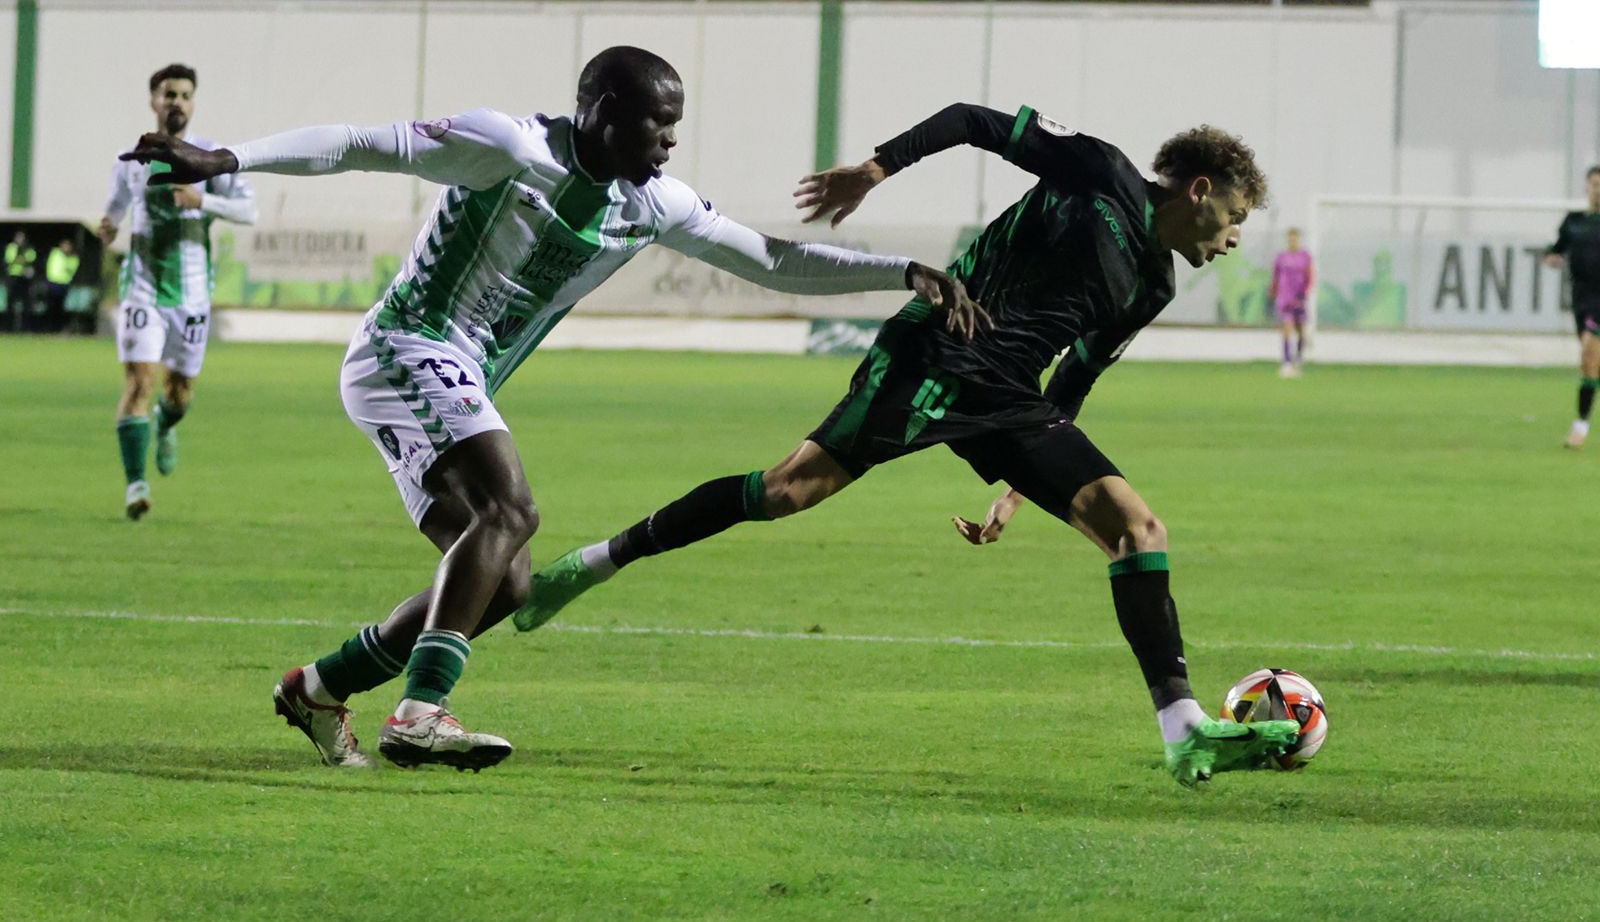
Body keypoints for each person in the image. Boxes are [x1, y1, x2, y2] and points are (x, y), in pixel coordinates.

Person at [121, 45, 979, 772]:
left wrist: (902, 271)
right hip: (406, 346)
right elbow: (360, 143)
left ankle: (318, 686)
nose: (672, 139)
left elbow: (772, 260)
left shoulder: (653, 201)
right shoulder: (507, 145)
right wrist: (226, 156)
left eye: (677, 123)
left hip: (450, 375)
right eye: (658, 122)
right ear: (604, 110)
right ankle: (421, 712)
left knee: (505, 577)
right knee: (512, 509)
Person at [516, 101, 1299, 788]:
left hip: (1011, 399)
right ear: (1200, 190)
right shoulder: (1101, 171)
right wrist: (874, 168)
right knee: (784, 491)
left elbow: (1078, 377)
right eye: (1234, 218)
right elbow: (972, 121)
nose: (1234, 238)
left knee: (1137, 528)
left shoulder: (1154, 285)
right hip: (941, 349)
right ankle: (592, 563)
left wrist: (1020, 485)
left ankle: (1183, 726)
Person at [97, 64, 258, 519]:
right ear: (154, 101)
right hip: (143, 288)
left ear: (193, 103)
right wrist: (108, 225)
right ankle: (136, 485)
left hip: (191, 296)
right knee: (138, 383)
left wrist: (203, 200)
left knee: (179, 392)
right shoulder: (130, 158)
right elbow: (114, 208)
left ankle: (166, 425)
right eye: (169, 94)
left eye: (185, 95)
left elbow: (251, 210)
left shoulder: (210, 156)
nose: (177, 102)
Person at [1544, 165, 1600, 449]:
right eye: (1594, 184)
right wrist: (1551, 257)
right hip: (1582, 300)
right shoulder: (1574, 221)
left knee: (1591, 351)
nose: (1598, 189)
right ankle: (1582, 423)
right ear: (1586, 187)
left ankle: (1580, 427)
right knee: (1591, 364)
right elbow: (1556, 249)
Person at [1268, 227, 1313, 377]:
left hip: (1299, 298)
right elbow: (1275, 277)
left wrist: (1305, 292)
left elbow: (1310, 276)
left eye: (1294, 239)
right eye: (1290, 239)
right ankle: (1286, 363)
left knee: (1301, 332)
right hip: (1285, 298)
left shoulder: (1305, 256)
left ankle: (1297, 361)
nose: (1292, 241)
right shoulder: (1281, 257)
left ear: (1298, 240)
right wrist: (1273, 291)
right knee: (1287, 329)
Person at [43, 237, 80, 333]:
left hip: (64, 284)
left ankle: (57, 328)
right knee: (50, 306)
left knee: (60, 307)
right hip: (53, 282)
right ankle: (48, 328)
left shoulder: (73, 258)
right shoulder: (55, 253)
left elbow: (70, 269)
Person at [5, 231, 37, 332]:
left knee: (26, 302)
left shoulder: (28, 248)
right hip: (13, 277)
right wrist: (22, 260)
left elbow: (31, 258)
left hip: (24, 278)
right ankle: (8, 327)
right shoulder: (11, 247)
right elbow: (10, 259)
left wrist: (21, 260)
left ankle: (25, 328)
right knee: (11, 302)